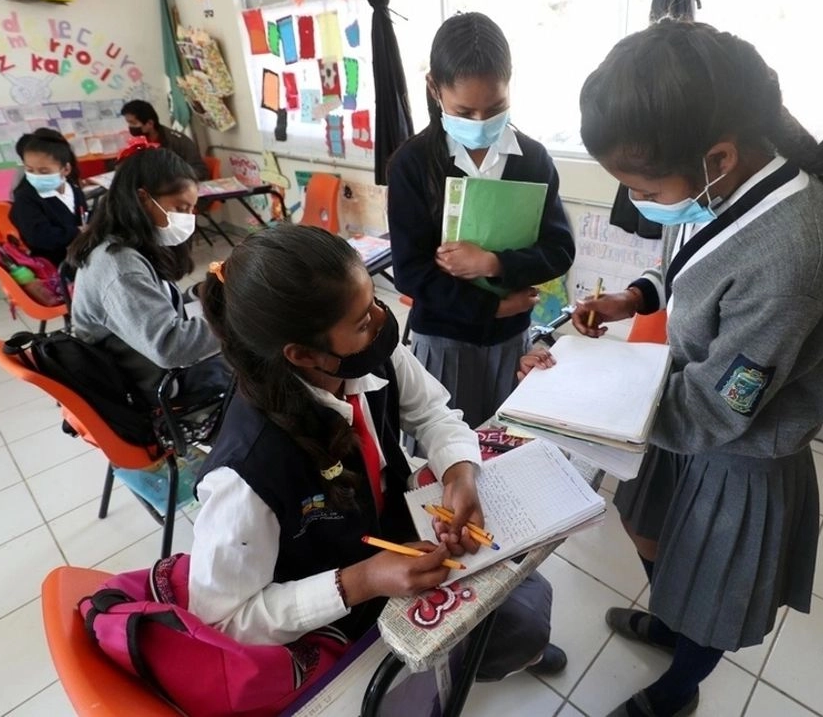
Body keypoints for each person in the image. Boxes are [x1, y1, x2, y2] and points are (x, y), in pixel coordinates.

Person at [572, 20, 823, 717]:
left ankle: (678, 686)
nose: (640, 201)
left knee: (711, 592)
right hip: (678, 409)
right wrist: (635, 297)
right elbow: (692, 266)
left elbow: (719, 406)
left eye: (643, 187)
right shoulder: (724, 182)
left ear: (717, 156)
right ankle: (672, 621)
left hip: (738, 448)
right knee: (648, 529)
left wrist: (590, 396)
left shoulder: (793, 253)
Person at [189, 223, 566, 685]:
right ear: (304, 355)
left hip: (393, 536)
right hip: (336, 602)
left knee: (524, 593)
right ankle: (484, 661)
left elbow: (433, 412)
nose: (381, 321)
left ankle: (506, 652)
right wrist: (362, 581)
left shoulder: (367, 354)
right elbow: (223, 622)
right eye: (363, 321)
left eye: (374, 302)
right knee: (514, 625)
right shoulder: (246, 473)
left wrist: (459, 472)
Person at [387, 12, 575, 444]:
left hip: (512, 340)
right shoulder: (413, 164)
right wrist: (489, 308)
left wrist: (493, 263)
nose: (479, 121)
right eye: (464, 111)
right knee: (445, 448)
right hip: (443, 339)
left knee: (506, 444)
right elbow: (411, 271)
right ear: (434, 88)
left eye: (494, 109)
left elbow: (559, 250)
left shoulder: (533, 160)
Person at [67, 144, 225, 406]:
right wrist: (235, 320)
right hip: (151, 387)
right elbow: (170, 347)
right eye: (181, 208)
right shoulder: (120, 266)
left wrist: (198, 294)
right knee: (255, 368)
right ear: (143, 199)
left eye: (191, 210)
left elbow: (153, 307)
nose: (189, 218)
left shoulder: (128, 244)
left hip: (146, 368)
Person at [9, 128, 87, 266]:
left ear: (66, 169)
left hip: (81, 254)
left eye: (44, 172)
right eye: (30, 170)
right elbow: (40, 237)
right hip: (55, 263)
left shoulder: (72, 188)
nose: (36, 176)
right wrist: (77, 232)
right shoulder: (25, 198)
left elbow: (83, 216)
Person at [120, 100, 210, 180]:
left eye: (133, 123)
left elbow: (200, 172)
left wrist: (173, 177)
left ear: (150, 123)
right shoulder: (137, 143)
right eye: (128, 123)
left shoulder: (178, 141)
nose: (130, 127)